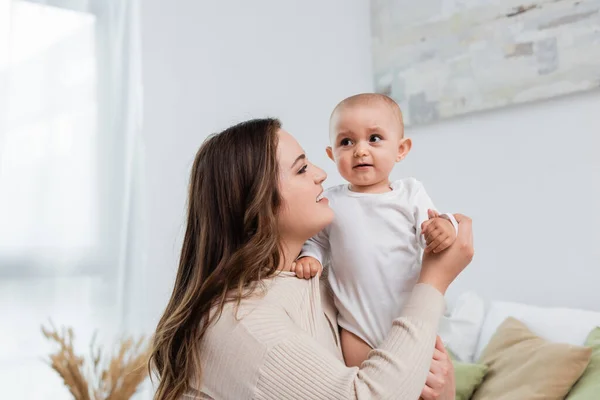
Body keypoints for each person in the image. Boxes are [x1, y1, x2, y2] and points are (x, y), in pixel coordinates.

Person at [149, 118, 474, 400]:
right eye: (302, 168)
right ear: (258, 201)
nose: (321, 174)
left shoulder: (321, 283)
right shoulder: (239, 324)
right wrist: (433, 281)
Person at [295, 94, 458, 376]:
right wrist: (311, 256)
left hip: (409, 319)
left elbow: (435, 228)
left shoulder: (410, 193)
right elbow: (317, 240)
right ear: (332, 154)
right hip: (356, 326)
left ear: (401, 149)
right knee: (365, 384)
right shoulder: (330, 202)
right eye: (346, 142)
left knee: (422, 384)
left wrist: (445, 227)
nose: (360, 151)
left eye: (374, 138)